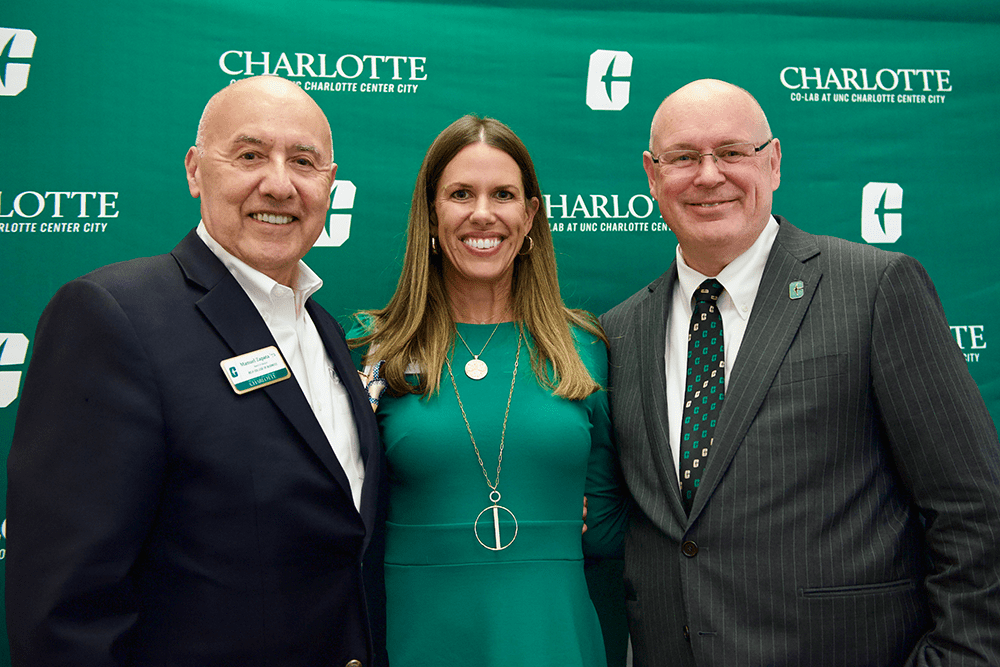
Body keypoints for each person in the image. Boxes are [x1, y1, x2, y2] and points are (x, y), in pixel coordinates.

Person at [600, 78, 1000, 666]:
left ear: (774, 161)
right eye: (683, 157)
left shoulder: (874, 288)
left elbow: (975, 514)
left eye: (732, 153)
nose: (708, 176)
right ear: (652, 174)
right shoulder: (619, 332)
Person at [6, 76, 385, 667]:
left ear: (329, 184)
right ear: (195, 169)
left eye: (303, 162)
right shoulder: (113, 316)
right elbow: (66, 610)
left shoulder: (328, 331)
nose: (279, 184)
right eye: (251, 155)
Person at [348, 115, 627, 666]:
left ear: (530, 216)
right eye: (459, 194)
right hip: (416, 640)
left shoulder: (586, 347)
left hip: (555, 640)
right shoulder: (371, 349)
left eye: (503, 194)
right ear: (431, 212)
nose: (482, 213)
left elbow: (607, 529)